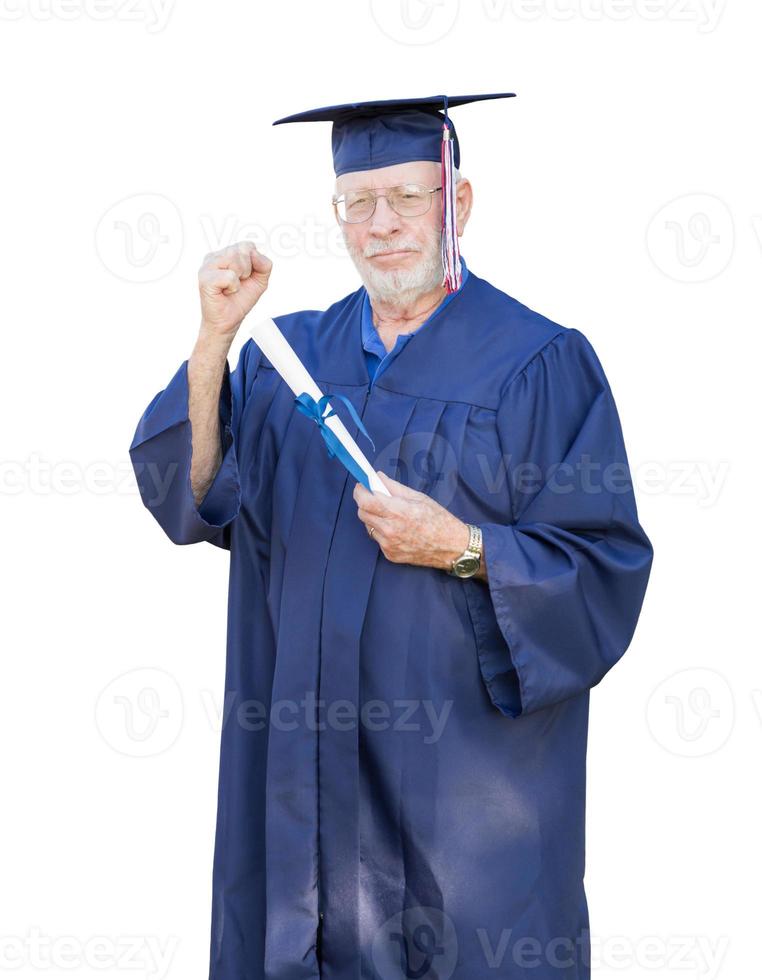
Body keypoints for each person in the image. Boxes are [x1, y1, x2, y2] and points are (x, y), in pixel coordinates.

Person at [129, 93, 654, 980]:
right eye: (358, 203)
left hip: (464, 820)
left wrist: (463, 546)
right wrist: (213, 342)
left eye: (409, 198)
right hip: (303, 790)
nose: (382, 225)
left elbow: (604, 569)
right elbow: (195, 497)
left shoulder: (539, 363)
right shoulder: (289, 356)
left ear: (461, 202)